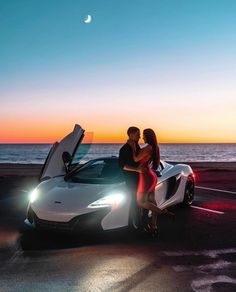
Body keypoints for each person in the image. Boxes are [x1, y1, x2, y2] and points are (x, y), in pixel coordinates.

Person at [128, 128, 173, 234]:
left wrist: (133, 146)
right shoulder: (155, 147)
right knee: (152, 202)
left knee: (141, 202)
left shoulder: (149, 147)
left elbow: (135, 159)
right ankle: (154, 226)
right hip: (151, 175)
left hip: (145, 176)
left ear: (148, 136)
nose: (142, 137)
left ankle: (163, 212)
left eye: (143, 135)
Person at [118, 127, 149, 229]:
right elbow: (123, 166)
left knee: (142, 201)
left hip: (140, 179)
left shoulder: (136, 146)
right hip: (131, 180)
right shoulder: (124, 149)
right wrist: (137, 170)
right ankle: (135, 224)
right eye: (137, 134)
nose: (139, 136)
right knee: (134, 202)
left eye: (140, 134)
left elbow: (139, 158)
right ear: (131, 134)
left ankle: (143, 222)